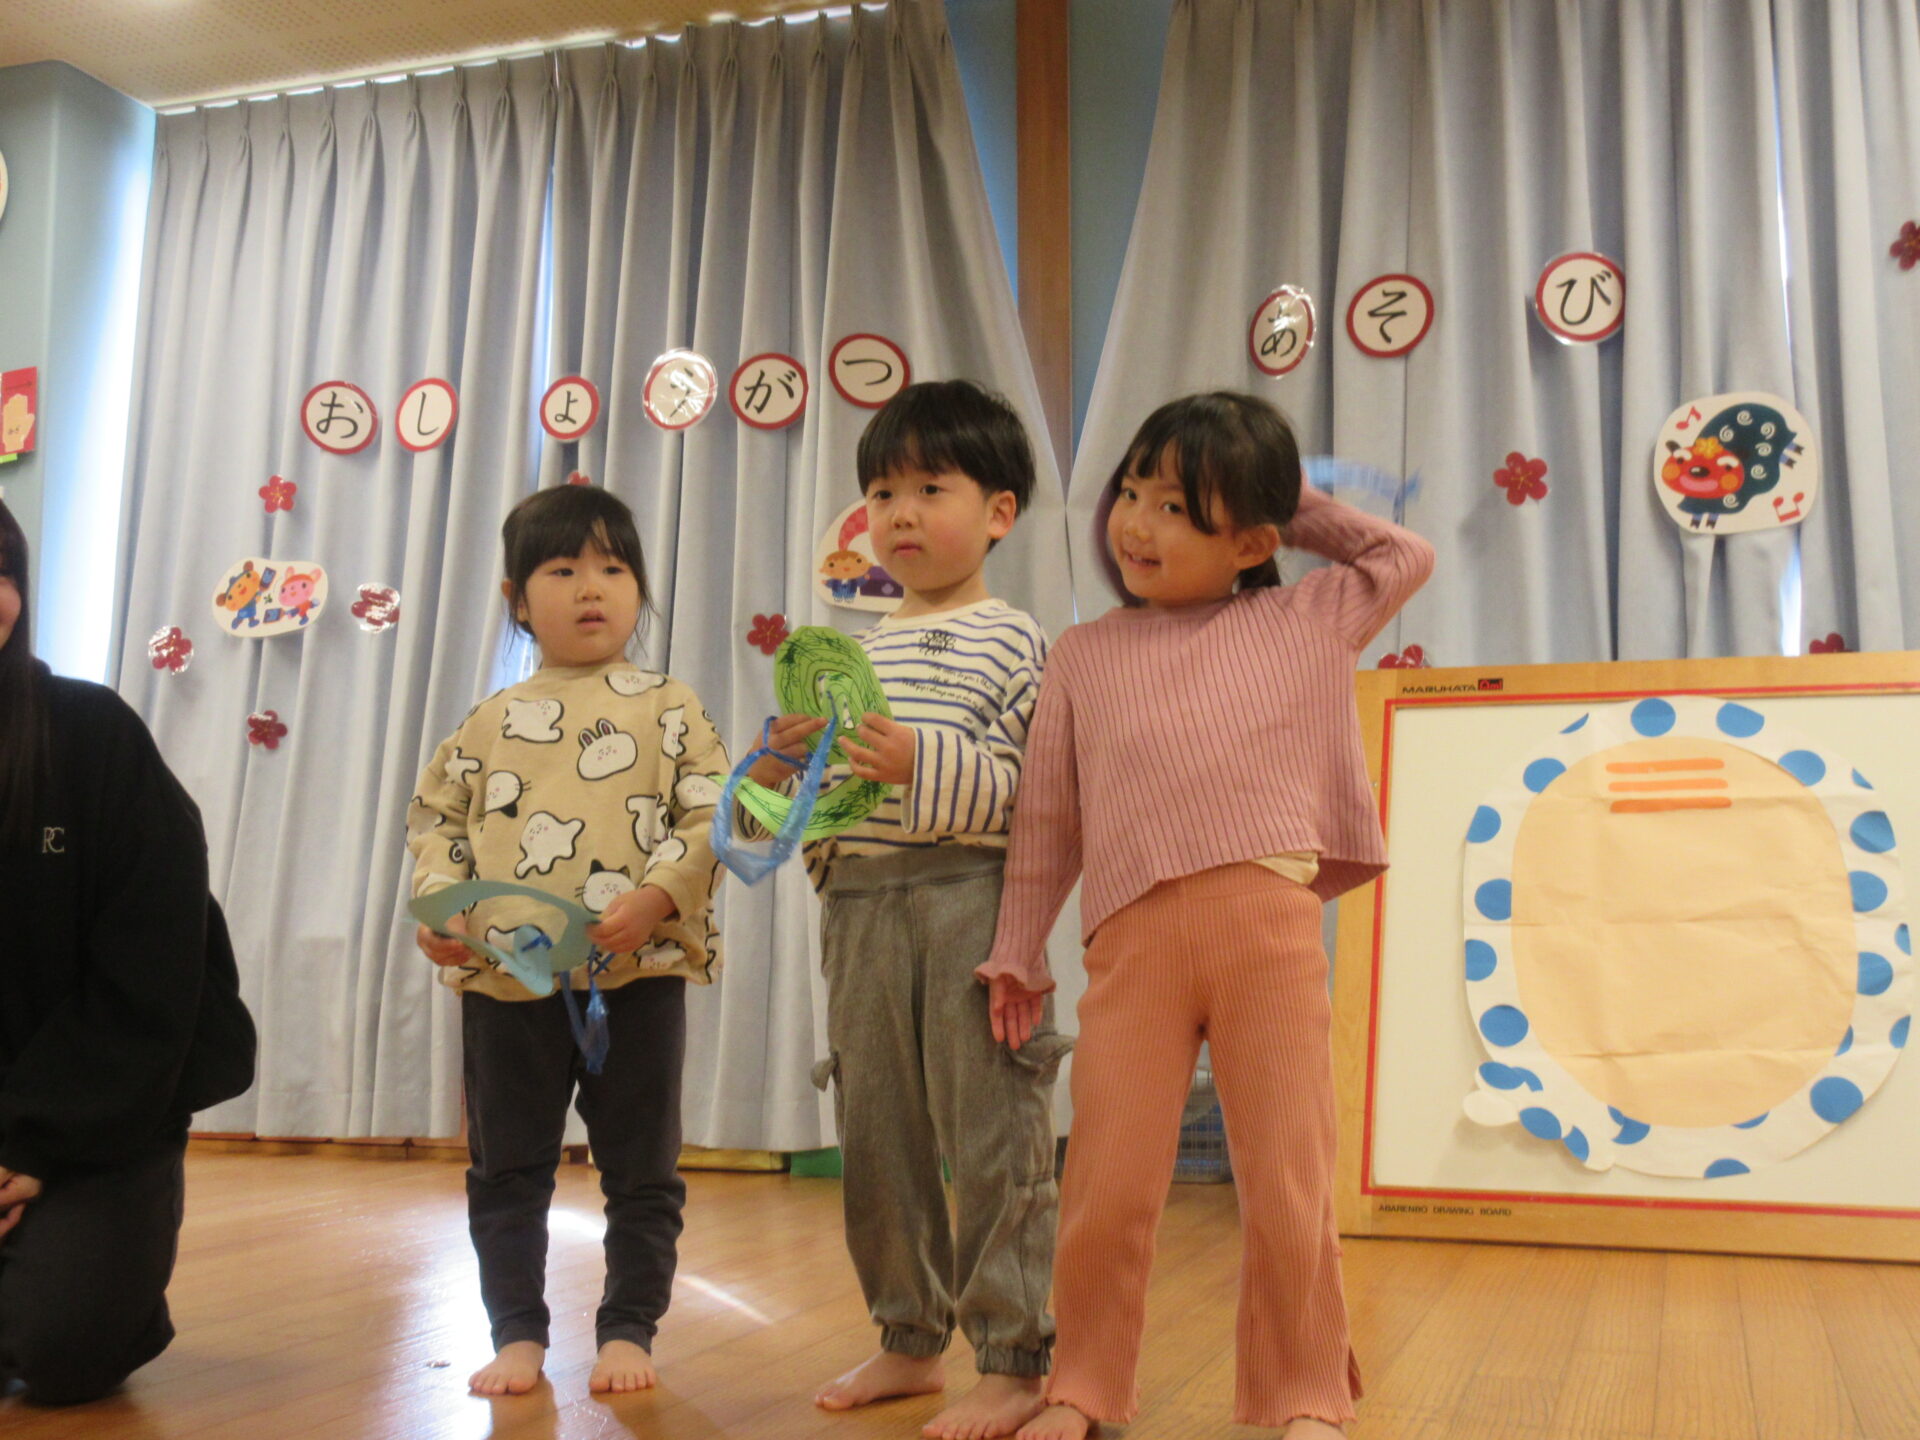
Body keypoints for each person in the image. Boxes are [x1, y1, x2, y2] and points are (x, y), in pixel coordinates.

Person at [979, 393, 1435, 1440]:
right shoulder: (1084, 652)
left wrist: (1280, 497)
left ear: (1253, 543)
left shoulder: (1304, 616)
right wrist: (1016, 948)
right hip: (1132, 943)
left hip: (1264, 930)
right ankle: (1084, 1386)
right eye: (1132, 493)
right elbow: (1048, 817)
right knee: (1105, 1183)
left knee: (1286, 1180)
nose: (1137, 525)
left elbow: (1401, 556)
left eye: (1178, 508)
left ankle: (1305, 1391)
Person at [746, 381, 1068, 1440]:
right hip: (858, 907)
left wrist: (920, 759)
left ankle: (1013, 1358)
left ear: (1000, 512)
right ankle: (909, 1335)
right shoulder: (851, 651)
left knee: (992, 1133)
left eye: (932, 489)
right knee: (876, 1130)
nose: (901, 514)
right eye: (883, 493)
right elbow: (796, 817)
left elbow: (1043, 796)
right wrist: (778, 772)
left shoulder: (1018, 641)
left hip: (971, 899)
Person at [407, 484, 728, 1398]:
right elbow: (437, 826)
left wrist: (659, 898)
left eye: (613, 568)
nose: (591, 587)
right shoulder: (487, 721)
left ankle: (629, 1328)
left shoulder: (670, 705)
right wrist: (445, 914)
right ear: (516, 598)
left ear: (639, 589)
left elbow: (713, 813)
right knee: (506, 1168)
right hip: (506, 985)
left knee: (642, 1169)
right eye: (562, 570)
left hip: (639, 978)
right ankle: (517, 1333)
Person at [0, 499, 256, 1404]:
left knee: (59, 1345)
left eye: (1, 572)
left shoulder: (91, 733)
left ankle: (108, 1272)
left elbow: (155, 970)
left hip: (93, 1120)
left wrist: (31, 1141)